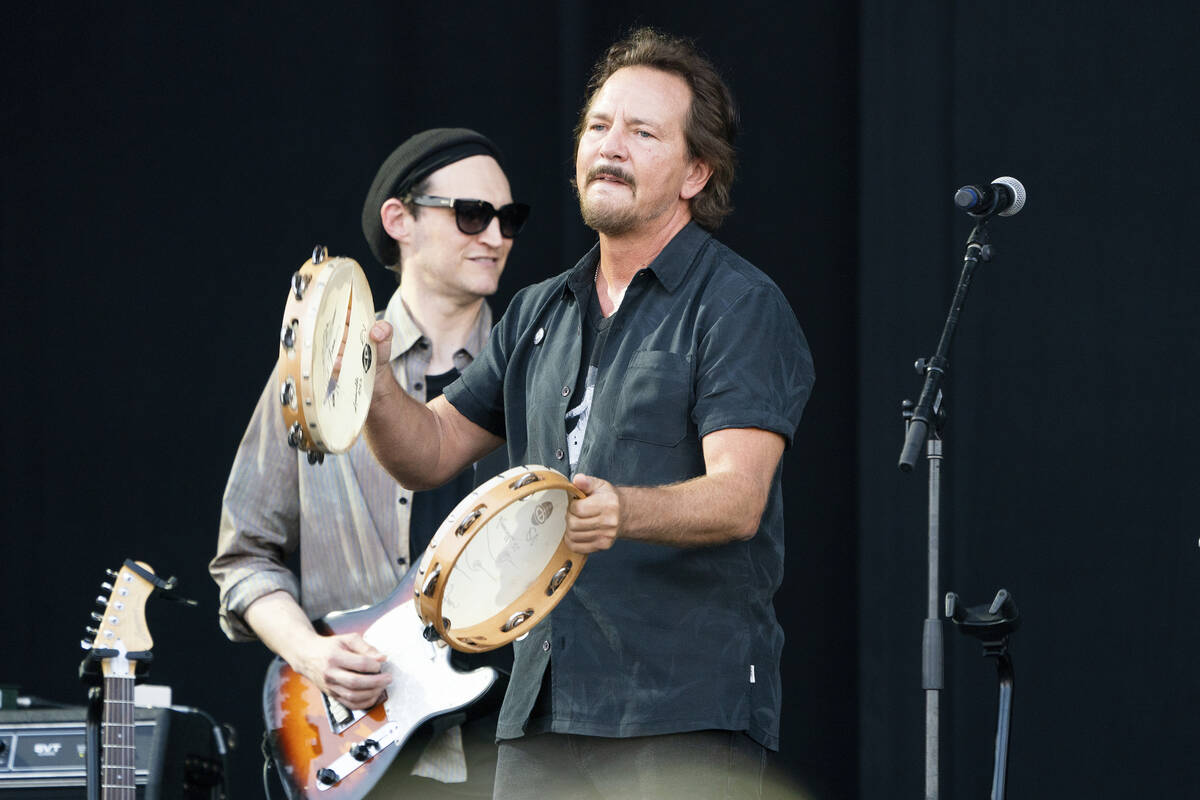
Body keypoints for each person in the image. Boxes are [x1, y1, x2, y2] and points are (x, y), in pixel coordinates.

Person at [362, 29, 815, 800]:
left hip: (684, 715)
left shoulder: (739, 305)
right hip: (540, 713)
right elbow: (430, 449)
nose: (611, 146)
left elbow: (739, 496)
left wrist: (623, 512)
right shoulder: (540, 309)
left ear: (695, 172)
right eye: (599, 126)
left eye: (643, 132)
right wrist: (365, 379)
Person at [210, 128, 528, 798]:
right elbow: (244, 557)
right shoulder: (316, 372)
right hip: (354, 747)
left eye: (509, 219)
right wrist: (312, 653)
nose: (495, 237)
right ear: (399, 219)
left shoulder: (535, 374)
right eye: (473, 214)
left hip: (503, 751)